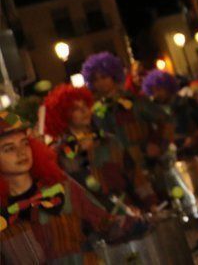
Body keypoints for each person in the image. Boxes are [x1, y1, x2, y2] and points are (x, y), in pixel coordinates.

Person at [1, 110, 146, 264]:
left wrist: (135, 222)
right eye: (9, 148)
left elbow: (105, 223)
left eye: (25, 143)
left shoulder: (63, 188)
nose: (21, 152)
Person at [142, 69, 198, 249]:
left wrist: (195, 137)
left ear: (168, 87)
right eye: (152, 90)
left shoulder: (186, 102)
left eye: (159, 88)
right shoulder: (155, 111)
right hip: (171, 161)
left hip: (192, 156)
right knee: (185, 202)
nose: (156, 93)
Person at [43, 84, 157, 213]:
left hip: (128, 213)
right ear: (63, 115)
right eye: (76, 109)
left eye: (85, 106)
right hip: (95, 222)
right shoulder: (60, 154)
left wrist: (151, 203)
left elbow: (134, 175)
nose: (84, 111)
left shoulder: (109, 141)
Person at [81, 52, 172, 171]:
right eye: (95, 80)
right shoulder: (95, 111)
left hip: (147, 165)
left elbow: (167, 121)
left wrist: (157, 144)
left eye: (104, 77)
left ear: (113, 76)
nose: (100, 83)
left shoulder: (135, 101)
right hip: (118, 171)